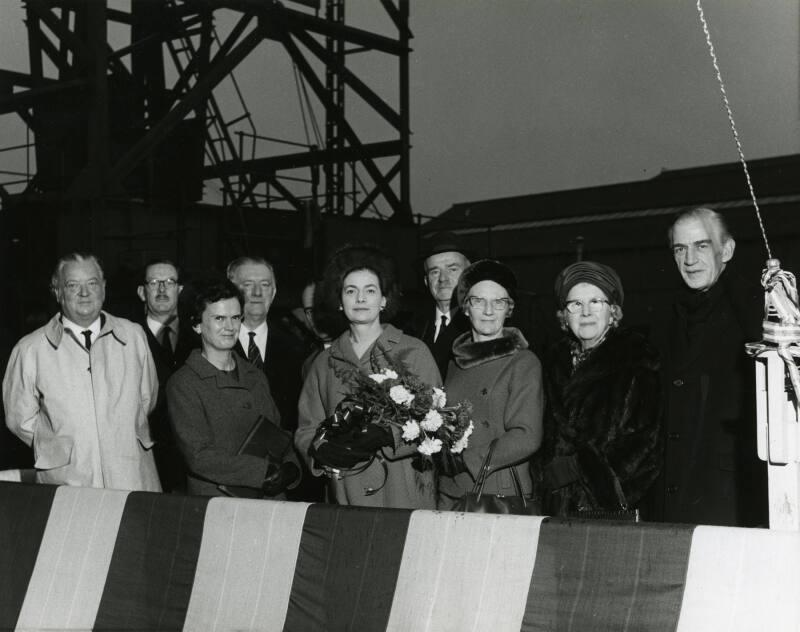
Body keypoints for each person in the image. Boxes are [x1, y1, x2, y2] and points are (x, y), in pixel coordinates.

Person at [296, 245, 440, 509]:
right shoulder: (324, 363)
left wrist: (389, 435)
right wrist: (320, 453)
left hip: (402, 491)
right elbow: (306, 428)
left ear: (384, 300)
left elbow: (435, 421)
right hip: (345, 492)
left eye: (370, 290)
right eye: (351, 291)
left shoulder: (413, 351)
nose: (360, 298)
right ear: (339, 301)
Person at [2, 252, 160, 491]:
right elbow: (19, 419)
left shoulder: (133, 336)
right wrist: (60, 446)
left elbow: (147, 399)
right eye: (73, 285)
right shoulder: (30, 349)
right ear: (57, 292)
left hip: (132, 477)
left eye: (92, 283)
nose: (84, 293)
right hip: (68, 481)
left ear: (104, 288)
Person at [661, 207, 766, 526]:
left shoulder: (755, 312)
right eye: (680, 248)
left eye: (702, 245)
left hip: (731, 497)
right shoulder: (668, 315)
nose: (689, 259)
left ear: (728, 249)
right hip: (675, 491)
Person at [539, 261, 662, 518]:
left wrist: (582, 471)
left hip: (611, 507)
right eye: (575, 304)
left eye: (596, 302)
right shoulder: (552, 364)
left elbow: (645, 444)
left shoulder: (636, 359)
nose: (585, 312)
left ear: (613, 311)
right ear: (564, 315)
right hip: (555, 508)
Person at [166, 279, 300, 498]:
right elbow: (199, 456)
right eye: (219, 318)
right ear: (196, 324)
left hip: (271, 500)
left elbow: (277, 434)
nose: (230, 327)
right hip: (219, 504)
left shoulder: (255, 375)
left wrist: (292, 467)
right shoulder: (184, 383)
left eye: (235, 317)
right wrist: (262, 472)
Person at [437, 259, 543, 509]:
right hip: (450, 489)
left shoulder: (523, 362)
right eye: (478, 301)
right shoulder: (454, 363)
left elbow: (527, 436)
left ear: (510, 309)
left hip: (496, 492)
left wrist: (468, 459)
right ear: (465, 308)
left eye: (499, 302)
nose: (488, 311)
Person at [136, 258, 197, 491]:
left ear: (180, 290)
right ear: (142, 292)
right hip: (148, 454)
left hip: (191, 455)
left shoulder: (200, 336)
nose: (162, 289)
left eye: (170, 282)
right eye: (154, 282)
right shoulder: (129, 337)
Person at [227, 256, 304, 432]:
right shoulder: (212, 346)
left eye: (265, 285)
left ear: (274, 292)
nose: (257, 293)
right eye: (247, 284)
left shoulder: (296, 348)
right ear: (230, 291)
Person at [415, 232, 472, 379]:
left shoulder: (482, 325)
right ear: (426, 281)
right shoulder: (413, 329)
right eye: (434, 272)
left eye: (452, 269)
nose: (443, 279)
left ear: (469, 274)